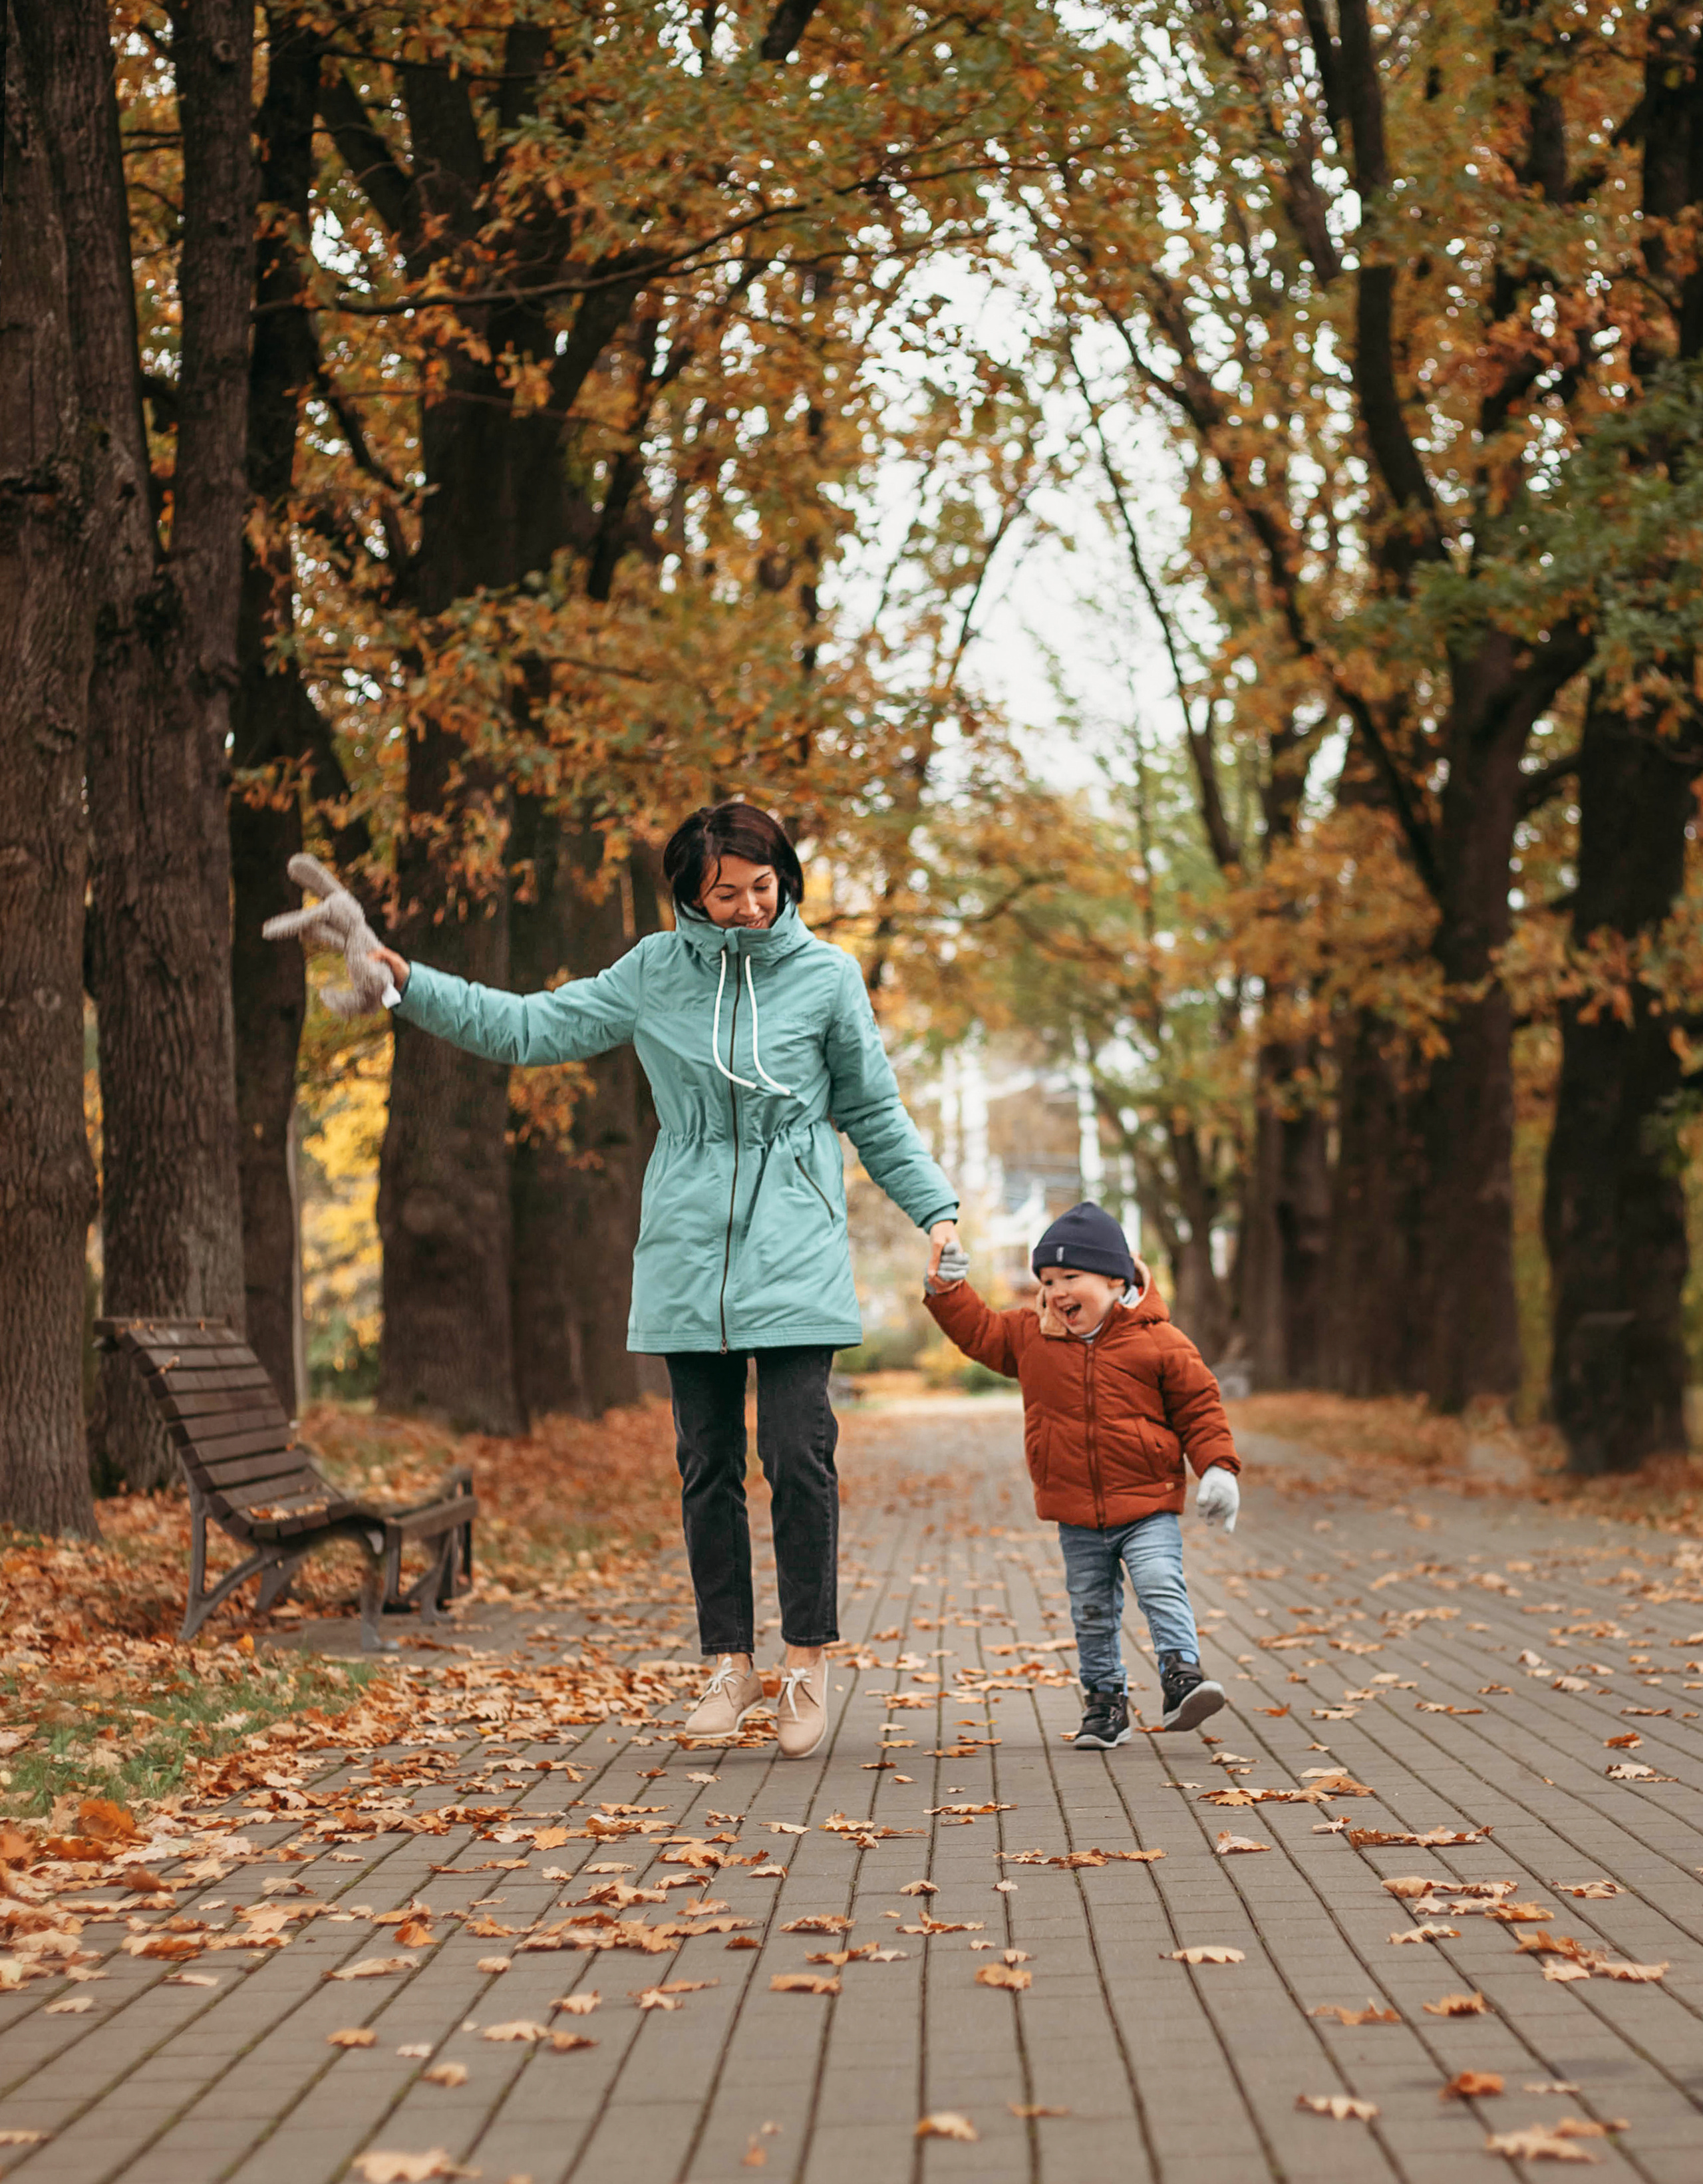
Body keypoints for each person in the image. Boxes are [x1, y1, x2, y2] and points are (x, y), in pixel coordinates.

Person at [365, 801, 961, 1760]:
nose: (749, 907)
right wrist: (409, 984)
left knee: (800, 1457)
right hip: (687, 1247)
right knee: (706, 1466)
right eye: (726, 893)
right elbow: (527, 1027)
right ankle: (731, 1662)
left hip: (795, 1242)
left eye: (764, 887)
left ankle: (806, 1662)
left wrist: (936, 1209)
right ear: (689, 893)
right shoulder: (651, 970)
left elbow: (874, 1111)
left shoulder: (826, 975)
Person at [923, 1201, 1241, 1746]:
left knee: (1161, 1583)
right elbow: (977, 1332)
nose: (1057, 1291)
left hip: (1147, 1503)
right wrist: (948, 1290)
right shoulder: (1031, 1338)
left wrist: (1217, 1469)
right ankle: (1105, 1702)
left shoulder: (1159, 1340)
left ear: (1117, 1279)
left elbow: (1200, 1408)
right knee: (1091, 1609)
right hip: (1076, 1511)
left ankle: (1181, 1674)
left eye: (1071, 1276)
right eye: (1047, 1280)